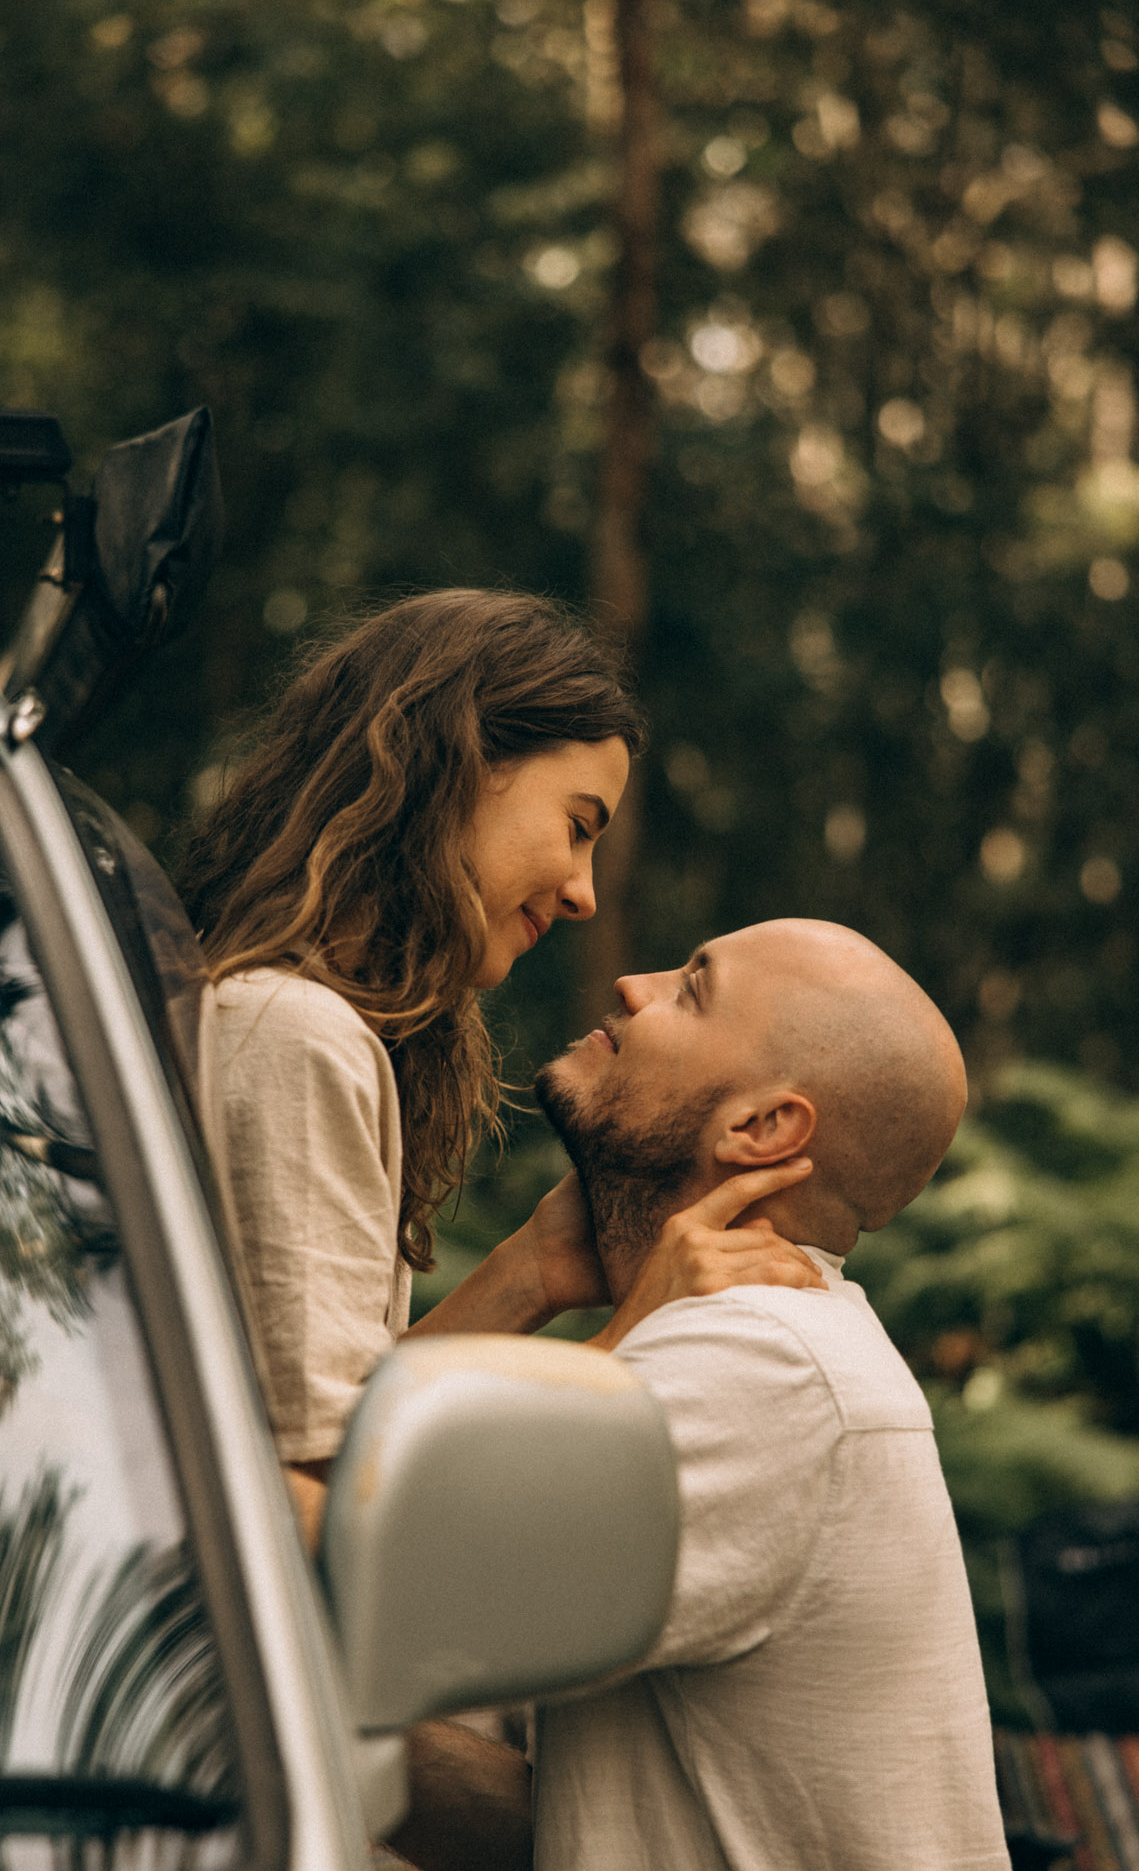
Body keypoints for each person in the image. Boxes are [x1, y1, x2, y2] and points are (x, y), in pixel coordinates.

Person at [390, 918, 1034, 1871]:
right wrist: (524, 1275)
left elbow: (338, 1557)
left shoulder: (760, 1359)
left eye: (692, 988)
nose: (633, 984)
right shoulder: (740, 1343)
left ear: (762, 1126)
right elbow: (572, 1857)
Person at [178, 591, 823, 1498]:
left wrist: (529, 1272)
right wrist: (625, 1345)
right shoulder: (291, 1031)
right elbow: (320, 1508)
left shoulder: (305, 1024)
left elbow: (332, 1424)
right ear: (454, 765)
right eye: (578, 827)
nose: (583, 894)